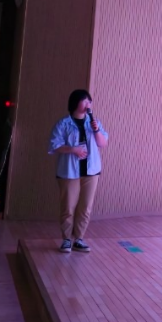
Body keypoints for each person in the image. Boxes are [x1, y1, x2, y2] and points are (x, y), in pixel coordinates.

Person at [47, 89, 109, 253]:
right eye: (85, 101)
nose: (88, 104)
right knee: (68, 207)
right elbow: (54, 145)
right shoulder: (63, 123)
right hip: (69, 172)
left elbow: (103, 143)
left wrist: (96, 130)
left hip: (91, 171)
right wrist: (73, 149)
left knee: (86, 207)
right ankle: (67, 239)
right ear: (76, 103)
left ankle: (79, 239)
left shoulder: (94, 122)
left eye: (90, 101)